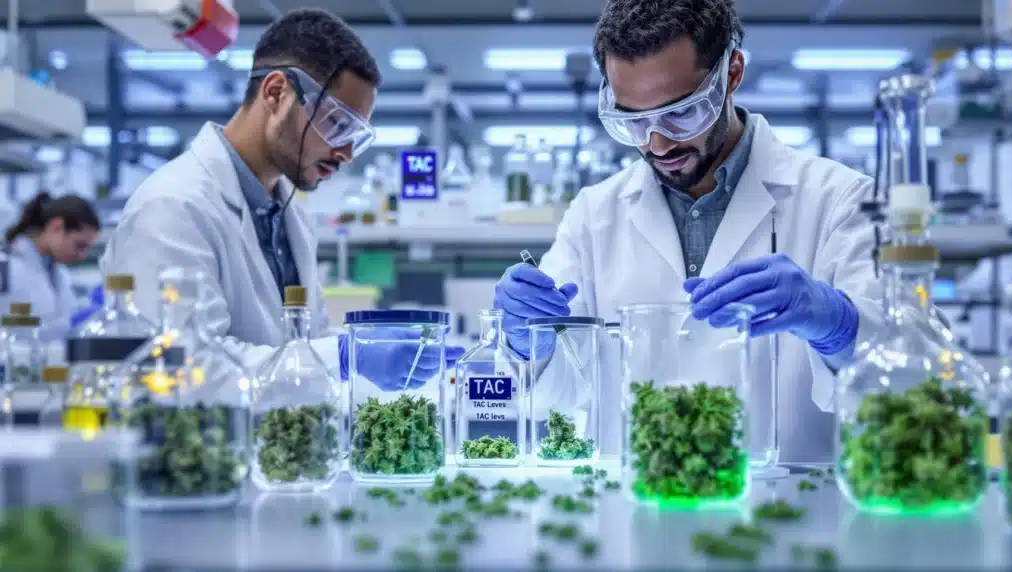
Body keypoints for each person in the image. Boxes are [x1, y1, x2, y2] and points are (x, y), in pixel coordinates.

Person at [493, 0, 884, 463]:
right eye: (633, 121)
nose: (657, 143)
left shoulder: (841, 201)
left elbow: (904, 388)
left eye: (681, 113)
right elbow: (559, 393)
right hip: (631, 514)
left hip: (787, 512)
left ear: (732, 73)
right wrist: (527, 343)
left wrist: (839, 326)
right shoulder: (594, 214)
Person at [100, 9, 463, 387]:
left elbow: (304, 348)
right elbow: (181, 367)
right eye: (337, 124)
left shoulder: (287, 214)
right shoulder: (172, 207)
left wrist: (355, 351)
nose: (346, 153)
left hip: (272, 441)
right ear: (276, 93)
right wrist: (343, 357)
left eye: (356, 136)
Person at [2, 192, 102, 341]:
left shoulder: (60, 273)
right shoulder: (5, 266)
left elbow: (55, 324)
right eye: (79, 245)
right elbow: (18, 333)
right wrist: (70, 322)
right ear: (57, 226)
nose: (81, 255)